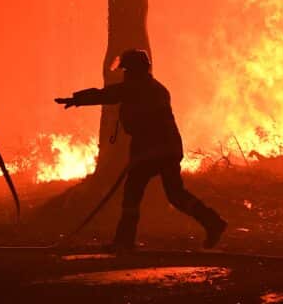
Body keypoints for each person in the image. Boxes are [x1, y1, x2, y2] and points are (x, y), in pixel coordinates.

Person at [55, 49, 227, 252]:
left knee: (132, 194)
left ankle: (124, 241)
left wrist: (76, 99)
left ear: (135, 70)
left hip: (152, 151)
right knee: (175, 194)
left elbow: (107, 94)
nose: (124, 74)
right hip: (167, 149)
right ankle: (212, 222)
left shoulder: (137, 88)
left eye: (126, 70)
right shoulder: (155, 88)